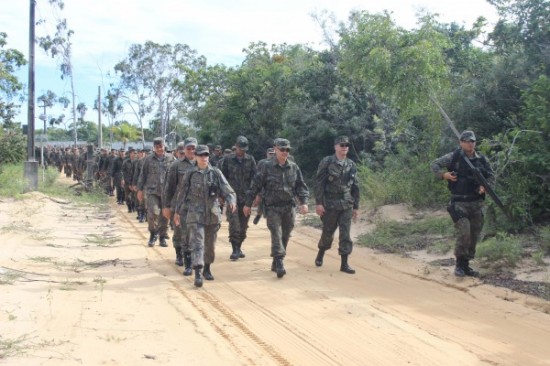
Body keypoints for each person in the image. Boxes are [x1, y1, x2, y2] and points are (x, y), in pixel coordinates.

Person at [430, 130, 495, 277]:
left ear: (475, 142)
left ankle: (466, 265)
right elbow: (434, 164)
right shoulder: (454, 157)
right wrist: (443, 175)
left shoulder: (482, 160)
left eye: (472, 141)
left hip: (476, 203)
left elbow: (491, 176)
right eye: (466, 141)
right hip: (459, 202)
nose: (469, 143)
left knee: (474, 235)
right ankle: (459, 265)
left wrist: (485, 186)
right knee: (464, 232)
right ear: (461, 142)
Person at [243, 138, 309, 278]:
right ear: (275, 149)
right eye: (282, 149)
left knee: (286, 234)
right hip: (272, 207)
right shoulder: (266, 166)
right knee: (276, 233)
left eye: (287, 150)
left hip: (288, 207)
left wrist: (304, 202)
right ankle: (279, 262)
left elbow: (300, 186)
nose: (285, 152)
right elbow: (255, 185)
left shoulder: (293, 167)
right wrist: (248, 204)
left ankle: (277, 260)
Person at [174, 145, 236, 287]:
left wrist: (231, 200)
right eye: (201, 155)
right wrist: (177, 212)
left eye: (206, 155)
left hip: (212, 214)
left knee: (210, 245)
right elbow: (182, 194)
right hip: (195, 214)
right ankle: (197, 272)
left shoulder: (215, 173)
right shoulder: (190, 173)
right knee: (197, 243)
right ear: (195, 157)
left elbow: (228, 190)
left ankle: (207, 268)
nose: (204, 158)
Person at [313, 136, 360, 274]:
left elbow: (355, 187)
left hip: (346, 204)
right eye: (341, 145)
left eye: (346, 145)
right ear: (335, 147)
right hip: (330, 204)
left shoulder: (351, 164)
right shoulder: (327, 162)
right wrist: (319, 203)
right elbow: (319, 183)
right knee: (328, 232)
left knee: (345, 234)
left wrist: (356, 206)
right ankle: (321, 252)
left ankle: (344, 264)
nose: (344, 147)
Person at [218, 136, 257, 260]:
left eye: (244, 149)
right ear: (236, 147)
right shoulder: (228, 159)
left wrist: (256, 195)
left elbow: (255, 179)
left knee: (243, 225)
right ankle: (235, 249)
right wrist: (221, 195)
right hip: (231, 197)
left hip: (246, 198)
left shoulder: (250, 160)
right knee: (234, 224)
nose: (242, 151)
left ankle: (239, 246)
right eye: (241, 149)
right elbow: (222, 178)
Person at [163, 138, 197, 270]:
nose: (191, 151)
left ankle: (192, 257)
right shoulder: (176, 166)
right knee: (179, 232)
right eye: (188, 148)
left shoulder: (202, 164)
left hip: (196, 205)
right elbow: (169, 187)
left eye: (193, 148)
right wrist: (166, 206)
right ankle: (179, 254)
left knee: (194, 233)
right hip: (180, 205)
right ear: (184, 150)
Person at [137, 138, 175, 247]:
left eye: (161, 146)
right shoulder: (148, 159)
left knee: (165, 215)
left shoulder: (171, 158)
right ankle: (153, 233)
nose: (159, 149)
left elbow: (175, 176)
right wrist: (140, 190)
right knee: (153, 213)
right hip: (152, 191)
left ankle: (162, 236)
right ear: (154, 147)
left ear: (164, 146)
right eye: (157, 147)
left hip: (166, 192)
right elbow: (142, 175)